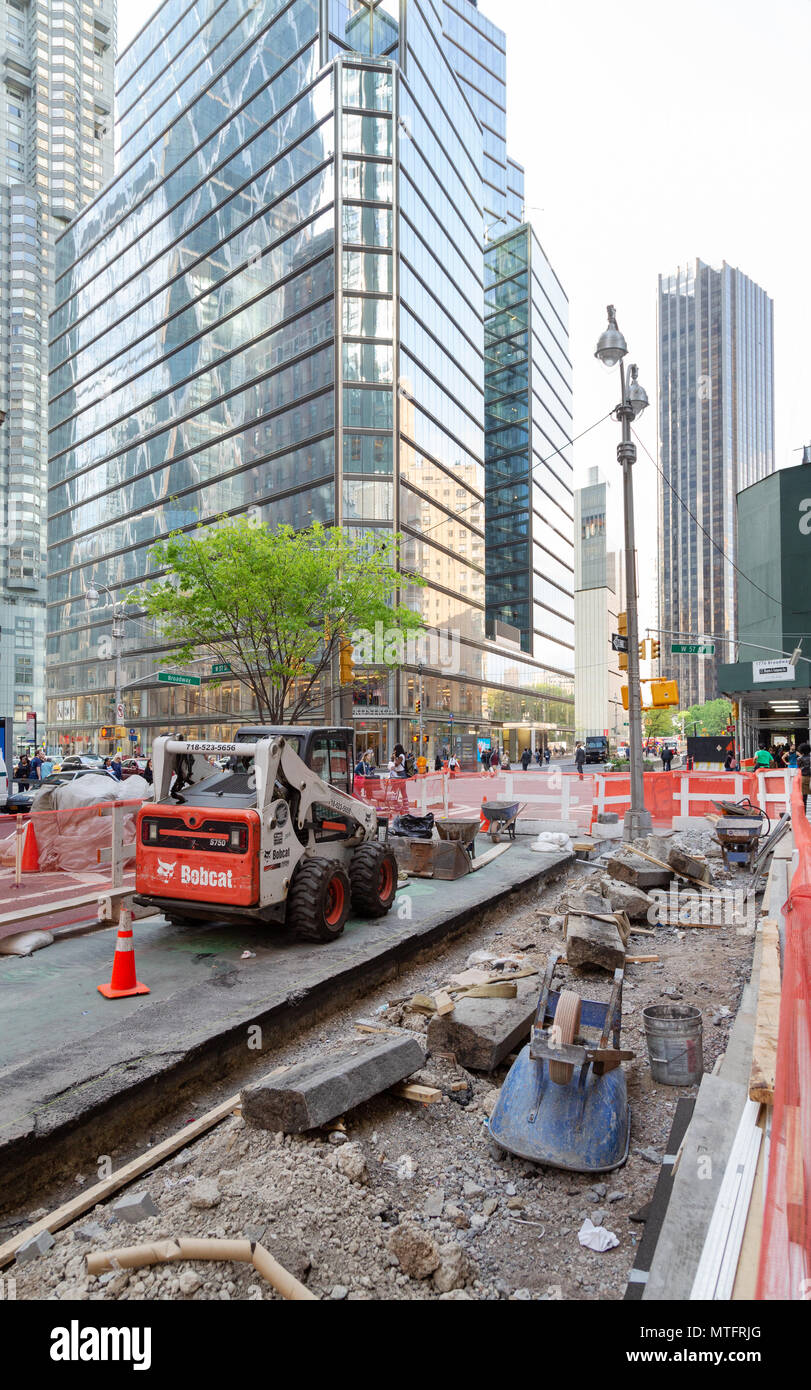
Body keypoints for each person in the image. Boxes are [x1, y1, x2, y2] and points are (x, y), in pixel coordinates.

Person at [798, 741, 811, 811]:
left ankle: (804, 815)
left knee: (804, 799)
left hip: (804, 778)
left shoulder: (799, 759)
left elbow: (798, 768)